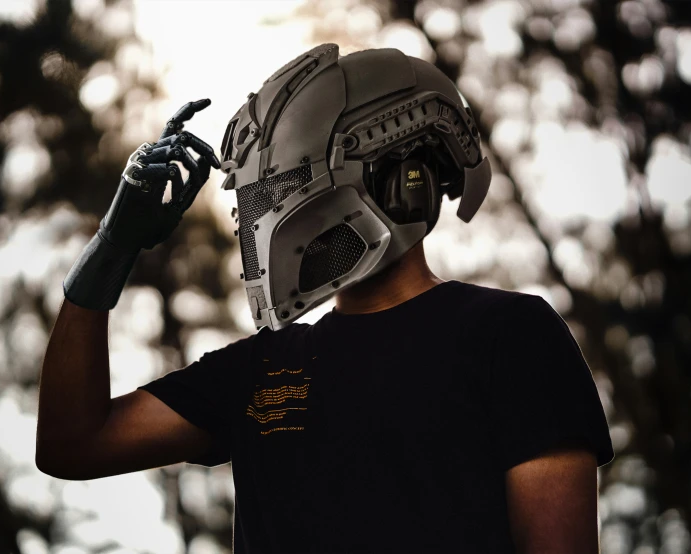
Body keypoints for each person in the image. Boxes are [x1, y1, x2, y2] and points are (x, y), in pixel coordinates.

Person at [37, 44, 614, 554]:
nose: (263, 219)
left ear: (402, 177)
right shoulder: (259, 371)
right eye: (257, 201)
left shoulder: (510, 336)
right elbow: (71, 444)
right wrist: (114, 245)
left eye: (286, 187)